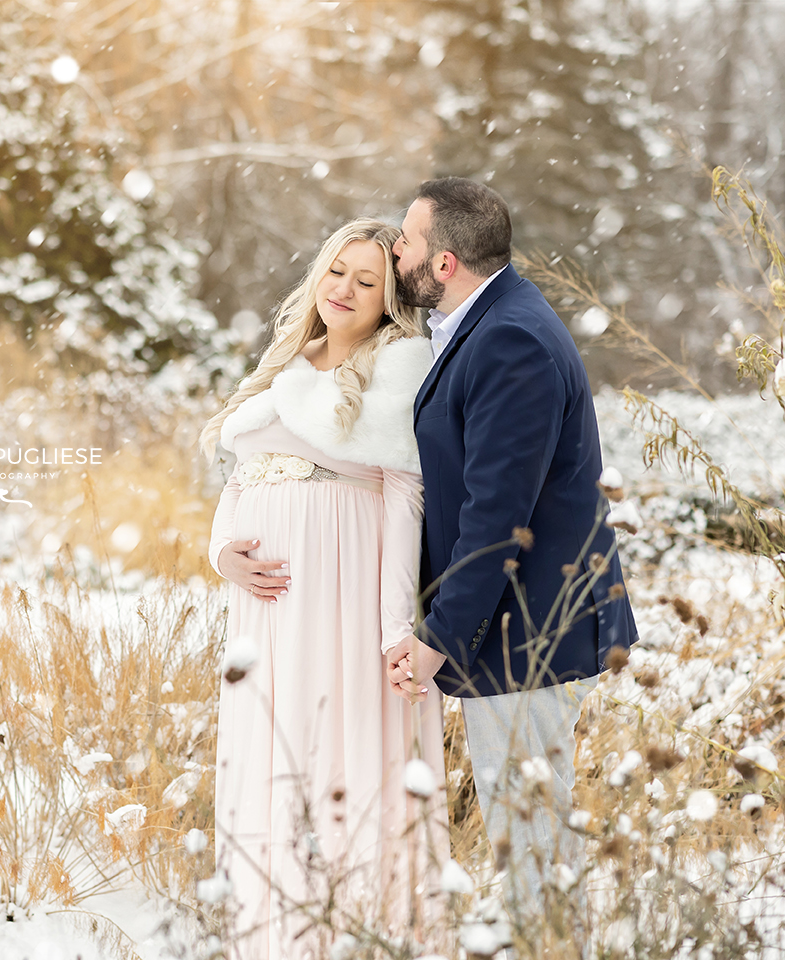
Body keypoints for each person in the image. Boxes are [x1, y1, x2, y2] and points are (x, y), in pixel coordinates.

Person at [384, 177, 638, 911]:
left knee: (534, 851)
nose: (396, 248)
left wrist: (439, 636)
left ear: (444, 264)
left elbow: (497, 518)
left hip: (533, 633)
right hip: (522, 630)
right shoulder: (486, 323)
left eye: (408, 239)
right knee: (531, 841)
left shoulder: (510, 342)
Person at [202, 218, 447, 958]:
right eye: (337, 271)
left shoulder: (399, 364)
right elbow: (241, 477)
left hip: (343, 592)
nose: (345, 289)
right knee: (273, 763)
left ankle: (355, 936)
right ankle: (276, 937)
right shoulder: (290, 360)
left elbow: (407, 501)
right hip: (263, 613)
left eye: (367, 280)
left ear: (388, 299)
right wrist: (220, 553)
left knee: (343, 758)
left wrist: (394, 629)